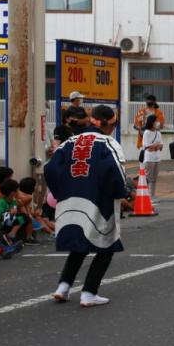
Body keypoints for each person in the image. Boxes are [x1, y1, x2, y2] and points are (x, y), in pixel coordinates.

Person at [44, 104, 129, 307]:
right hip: (98, 200)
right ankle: (89, 292)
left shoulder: (69, 142)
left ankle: (63, 287)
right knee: (106, 246)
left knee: (79, 244)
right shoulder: (108, 143)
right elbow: (116, 173)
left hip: (68, 200)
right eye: (114, 123)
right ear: (106, 123)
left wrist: (60, 192)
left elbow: (50, 168)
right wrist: (121, 195)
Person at [0, 178, 28, 245]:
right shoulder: (1, 202)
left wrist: (21, 206)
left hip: (10, 222)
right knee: (20, 217)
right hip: (2, 224)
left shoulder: (14, 201)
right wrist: (9, 213)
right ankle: (11, 235)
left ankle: (12, 233)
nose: (18, 192)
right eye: (17, 190)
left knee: (24, 216)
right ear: (13, 193)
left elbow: (24, 214)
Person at [141, 117, 164, 199]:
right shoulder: (147, 132)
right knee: (148, 178)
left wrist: (155, 146)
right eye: (156, 121)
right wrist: (156, 146)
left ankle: (152, 195)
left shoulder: (158, 133)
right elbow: (147, 147)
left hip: (157, 158)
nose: (158, 123)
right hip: (149, 159)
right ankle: (145, 195)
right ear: (151, 122)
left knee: (154, 179)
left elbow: (161, 145)